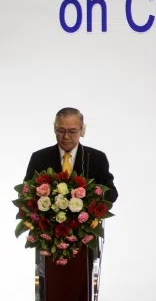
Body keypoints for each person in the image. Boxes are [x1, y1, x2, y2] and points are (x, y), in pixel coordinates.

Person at [23, 107, 119, 301]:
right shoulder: (39, 158)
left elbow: (112, 193)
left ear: (82, 130)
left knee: (80, 290)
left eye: (72, 131)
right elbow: (27, 196)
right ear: (54, 129)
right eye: (61, 130)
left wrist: (90, 205)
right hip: (49, 241)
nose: (66, 136)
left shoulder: (96, 158)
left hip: (83, 241)